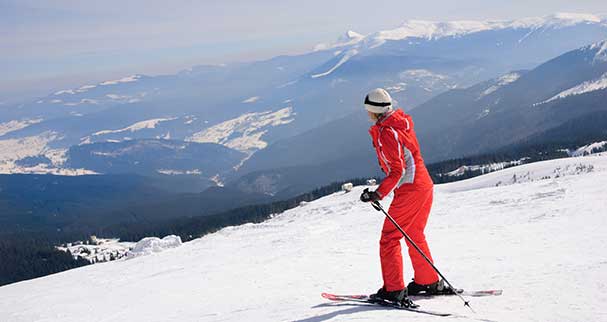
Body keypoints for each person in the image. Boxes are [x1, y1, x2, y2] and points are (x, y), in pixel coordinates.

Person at [359, 88, 453, 306]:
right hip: (423, 184)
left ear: (373, 111)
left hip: (410, 188)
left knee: (389, 238)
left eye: (367, 110)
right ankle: (427, 281)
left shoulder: (387, 132)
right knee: (413, 232)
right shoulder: (399, 123)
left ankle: (394, 290)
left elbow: (397, 170)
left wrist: (378, 194)